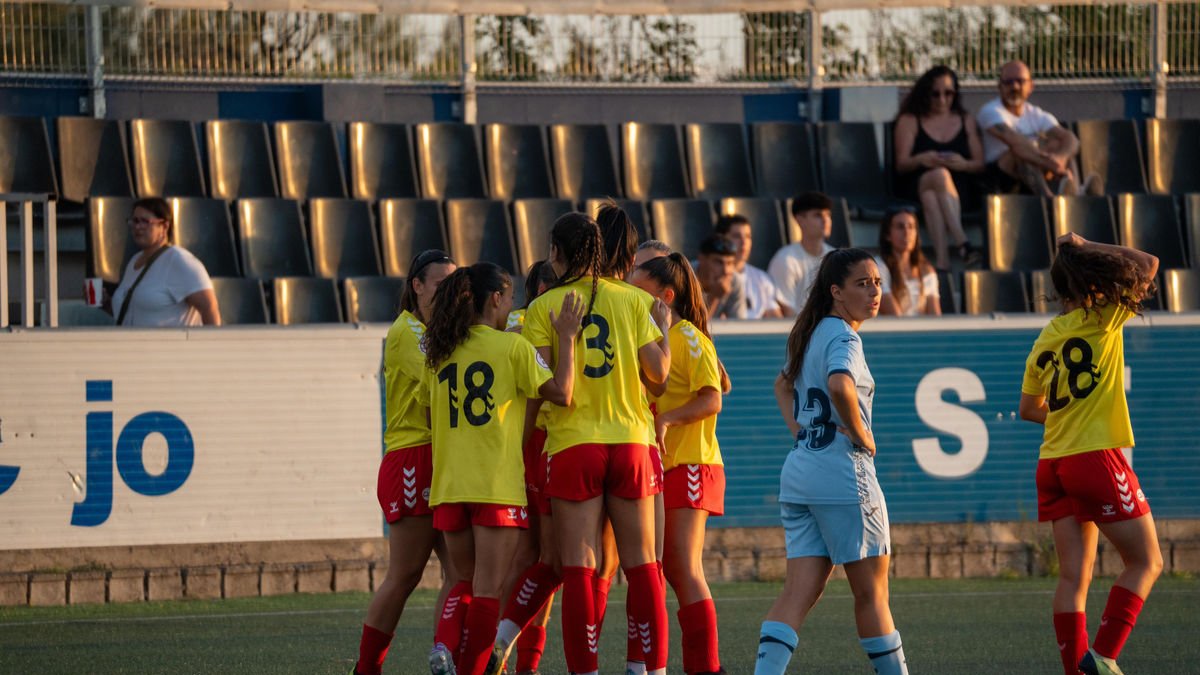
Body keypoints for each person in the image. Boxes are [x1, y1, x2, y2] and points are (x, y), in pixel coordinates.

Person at [523, 212, 672, 675]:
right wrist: (663, 330)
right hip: (630, 441)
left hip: (573, 444)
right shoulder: (631, 300)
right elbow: (660, 377)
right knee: (644, 565)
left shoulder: (542, 307)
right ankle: (657, 669)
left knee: (579, 569)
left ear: (556, 254)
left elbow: (542, 384)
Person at [419, 262, 584, 675]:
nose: (512, 309)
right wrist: (566, 337)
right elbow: (562, 393)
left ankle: (444, 647)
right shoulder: (511, 348)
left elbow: (428, 414)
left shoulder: (439, 352)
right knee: (488, 591)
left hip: (449, 486)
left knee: (461, 582)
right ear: (495, 299)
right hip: (495, 487)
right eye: (509, 300)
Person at [755, 248, 909, 675]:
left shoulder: (811, 332)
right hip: (843, 473)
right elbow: (840, 385)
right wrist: (862, 435)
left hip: (802, 471)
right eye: (863, 283)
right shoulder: (844, 336)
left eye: (877, 282)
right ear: (836, 292)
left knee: (796, 593)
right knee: (872, 594)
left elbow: (782, 386)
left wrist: (803, 432)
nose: (874, 291)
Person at [1018, 233, 1163, 675]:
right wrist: (1088, 244)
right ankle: (1103, 657)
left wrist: (1068, 419)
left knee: (1072, 580)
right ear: (1093, 280)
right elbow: (1149, 261)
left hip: (1053, 463)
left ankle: (1076, 671)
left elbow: (1029, 409)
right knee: (1146, 561)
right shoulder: (1105, 316)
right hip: (1095, 458)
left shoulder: (1048, 335)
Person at [353, 249, 463, 675]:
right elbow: (440, 384)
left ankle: (446, 656)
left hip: (441, 457)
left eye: (455, 286)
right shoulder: (407, 332)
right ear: (416, 286)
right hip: (413, 457)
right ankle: (366, 667)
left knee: (460, 572)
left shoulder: (437, 331)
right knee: (405, 574)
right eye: (440, 284)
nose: (449, 294)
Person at [630, 253, 728, 675]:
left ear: (665, 296)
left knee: (682, 567)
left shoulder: (687, 335)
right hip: (671, 464)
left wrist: (667, 419)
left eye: (639, 287)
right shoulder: (657, 339)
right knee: (668, 567)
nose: (630, 294)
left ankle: (706, 668)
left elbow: (713, 397)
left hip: (693, 463)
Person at [494, 259, 561, 675]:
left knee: (540, 565)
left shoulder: (531, 319)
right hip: (540, 443)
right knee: (541, 562)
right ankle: (503, 653)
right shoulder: (527, 320)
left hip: (539, 443)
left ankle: (518, 662)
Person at [893, 65, 985, 271]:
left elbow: (979, 165)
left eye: (948, 93)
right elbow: (901, 164)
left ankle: (942, 263)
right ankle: (963, 243)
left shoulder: (966, 120)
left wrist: (963, 163)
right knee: (939, 175)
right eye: (936, 94)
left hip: (959, 190)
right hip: (915, 183)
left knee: (931, 197)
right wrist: (922, 159)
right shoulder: (910, 120)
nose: (942, 99)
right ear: (926, 93)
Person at [978, 60, 1090, 197]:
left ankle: (1077, 195)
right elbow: (1015, 142)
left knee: (1059, 145)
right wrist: (1051, 164)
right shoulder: (990, 112)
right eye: (1008, 82)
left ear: (1031, 86)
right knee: (1021, 152)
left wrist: (1060, 158)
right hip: (1001, 180)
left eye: (1020, 81)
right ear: (999, 86)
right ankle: (1049, 200)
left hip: (1035, 173)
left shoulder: (1035, 114)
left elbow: (1071, 139)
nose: (1015, 86)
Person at [110, 198, 220, 327]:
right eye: (135, 221)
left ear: (164, 226)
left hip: (169, 346)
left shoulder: (179, 260)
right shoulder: (134, 261)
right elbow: (134, 311)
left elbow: (209, 307)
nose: (138, 227)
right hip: (134, 345)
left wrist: (209, 345)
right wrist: (107, 303)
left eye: (145, 222)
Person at [768, 192, 837, 312]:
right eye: (818, 215)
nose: (825, 220)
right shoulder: (785, 260)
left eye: (828, 215)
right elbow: (787, 310)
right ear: (800, 220)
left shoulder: (835, 258)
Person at [714, 214, 790, 318]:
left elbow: (776, 320)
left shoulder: (762, 279)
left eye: (748, 237)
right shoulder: (710, 278)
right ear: (721, 239)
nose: (744, 242)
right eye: (736, 236)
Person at [876, 209, 941, 317]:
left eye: (911, 227)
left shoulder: (926, 270)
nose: (907, 232)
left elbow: (936, 317)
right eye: (900, 227)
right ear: (887, 234)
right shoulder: (878, 267)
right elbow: (894, 316)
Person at [694, 234, 747, 320]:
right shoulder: (683, 278)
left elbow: (739, 327)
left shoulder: (734, 282)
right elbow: (690, 329)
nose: (725, 271)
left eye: (730, 263)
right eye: (718, 262)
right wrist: (714, 297)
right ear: (702, 259)